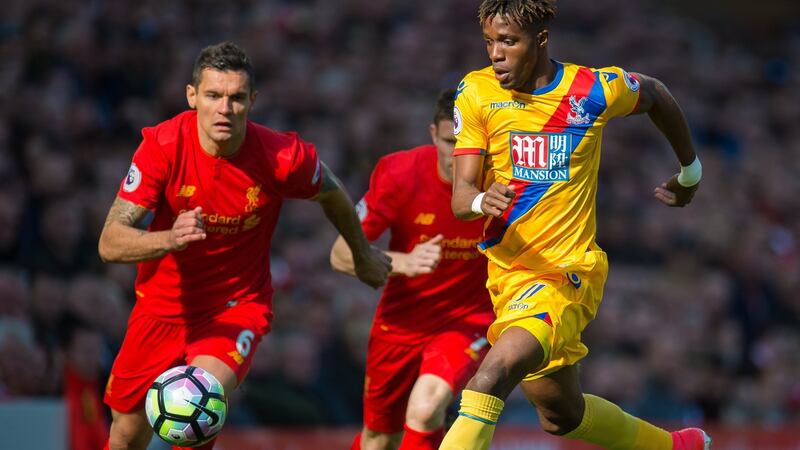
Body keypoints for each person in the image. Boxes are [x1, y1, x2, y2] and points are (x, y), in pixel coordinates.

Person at [439, 1, 710, 450]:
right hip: (508, 278)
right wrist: (483, 198)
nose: (496, 53)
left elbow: (656, 94)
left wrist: (690, 172)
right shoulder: (476, 93)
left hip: (566, 274)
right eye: (489, 41)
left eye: (509, 41)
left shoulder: (592, 90)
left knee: (489, 378)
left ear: (540, 40)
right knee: (561, 415)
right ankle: (674, 447)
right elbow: (461, 196)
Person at [97, 41, 391, 450]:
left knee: (198, 405)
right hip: (161, 309)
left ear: (252, 100)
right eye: (214, 96)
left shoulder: (281, 156)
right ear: (192, 96)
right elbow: (110, 242)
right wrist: (169, 238)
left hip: (236, 307)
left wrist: (361, 253)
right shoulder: (162, 147)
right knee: (125, 435)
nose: (224, 108)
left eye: (236, 98)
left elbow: (333, 192)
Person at [330, 89, 495, 450]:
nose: (459, 155)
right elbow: (340, 255)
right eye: (450, 142)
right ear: (433, 135)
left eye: (468, 143)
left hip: (468, 320)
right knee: (379, 439)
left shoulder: (503, 181)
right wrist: (403, 262)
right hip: (401, 322)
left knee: (424, 407)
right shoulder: (399, 173)